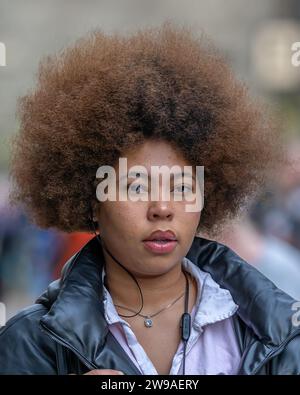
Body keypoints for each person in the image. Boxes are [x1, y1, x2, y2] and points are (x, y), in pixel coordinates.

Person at [1, 22, 299, 375]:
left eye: (182, 187)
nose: (162, 209)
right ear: (93, 200)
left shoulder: (279, 333)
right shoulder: (29, 345)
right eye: (137, 187)